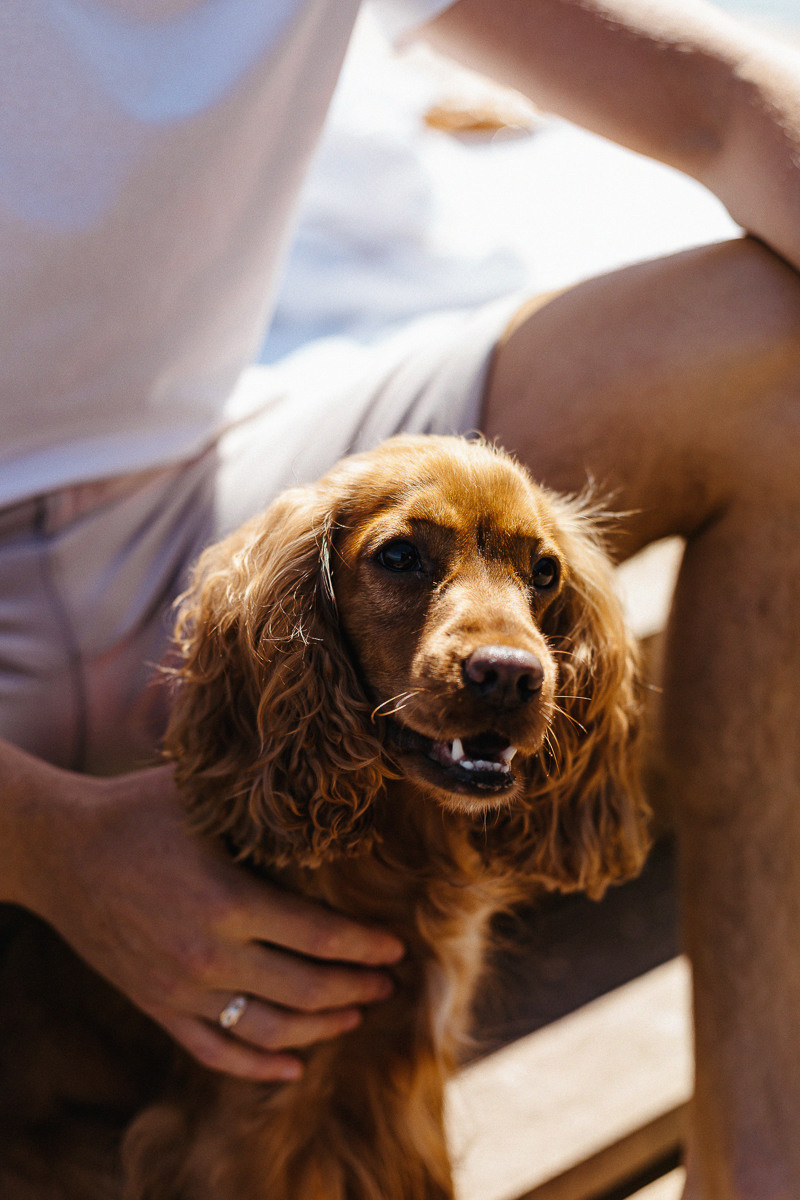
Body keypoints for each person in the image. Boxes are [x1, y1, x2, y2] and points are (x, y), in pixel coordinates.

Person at [1, 1, 799, 1196]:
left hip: (188, 484)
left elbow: (722, 103)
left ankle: (761, 1175)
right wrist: (45, 844)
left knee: (771, 343)